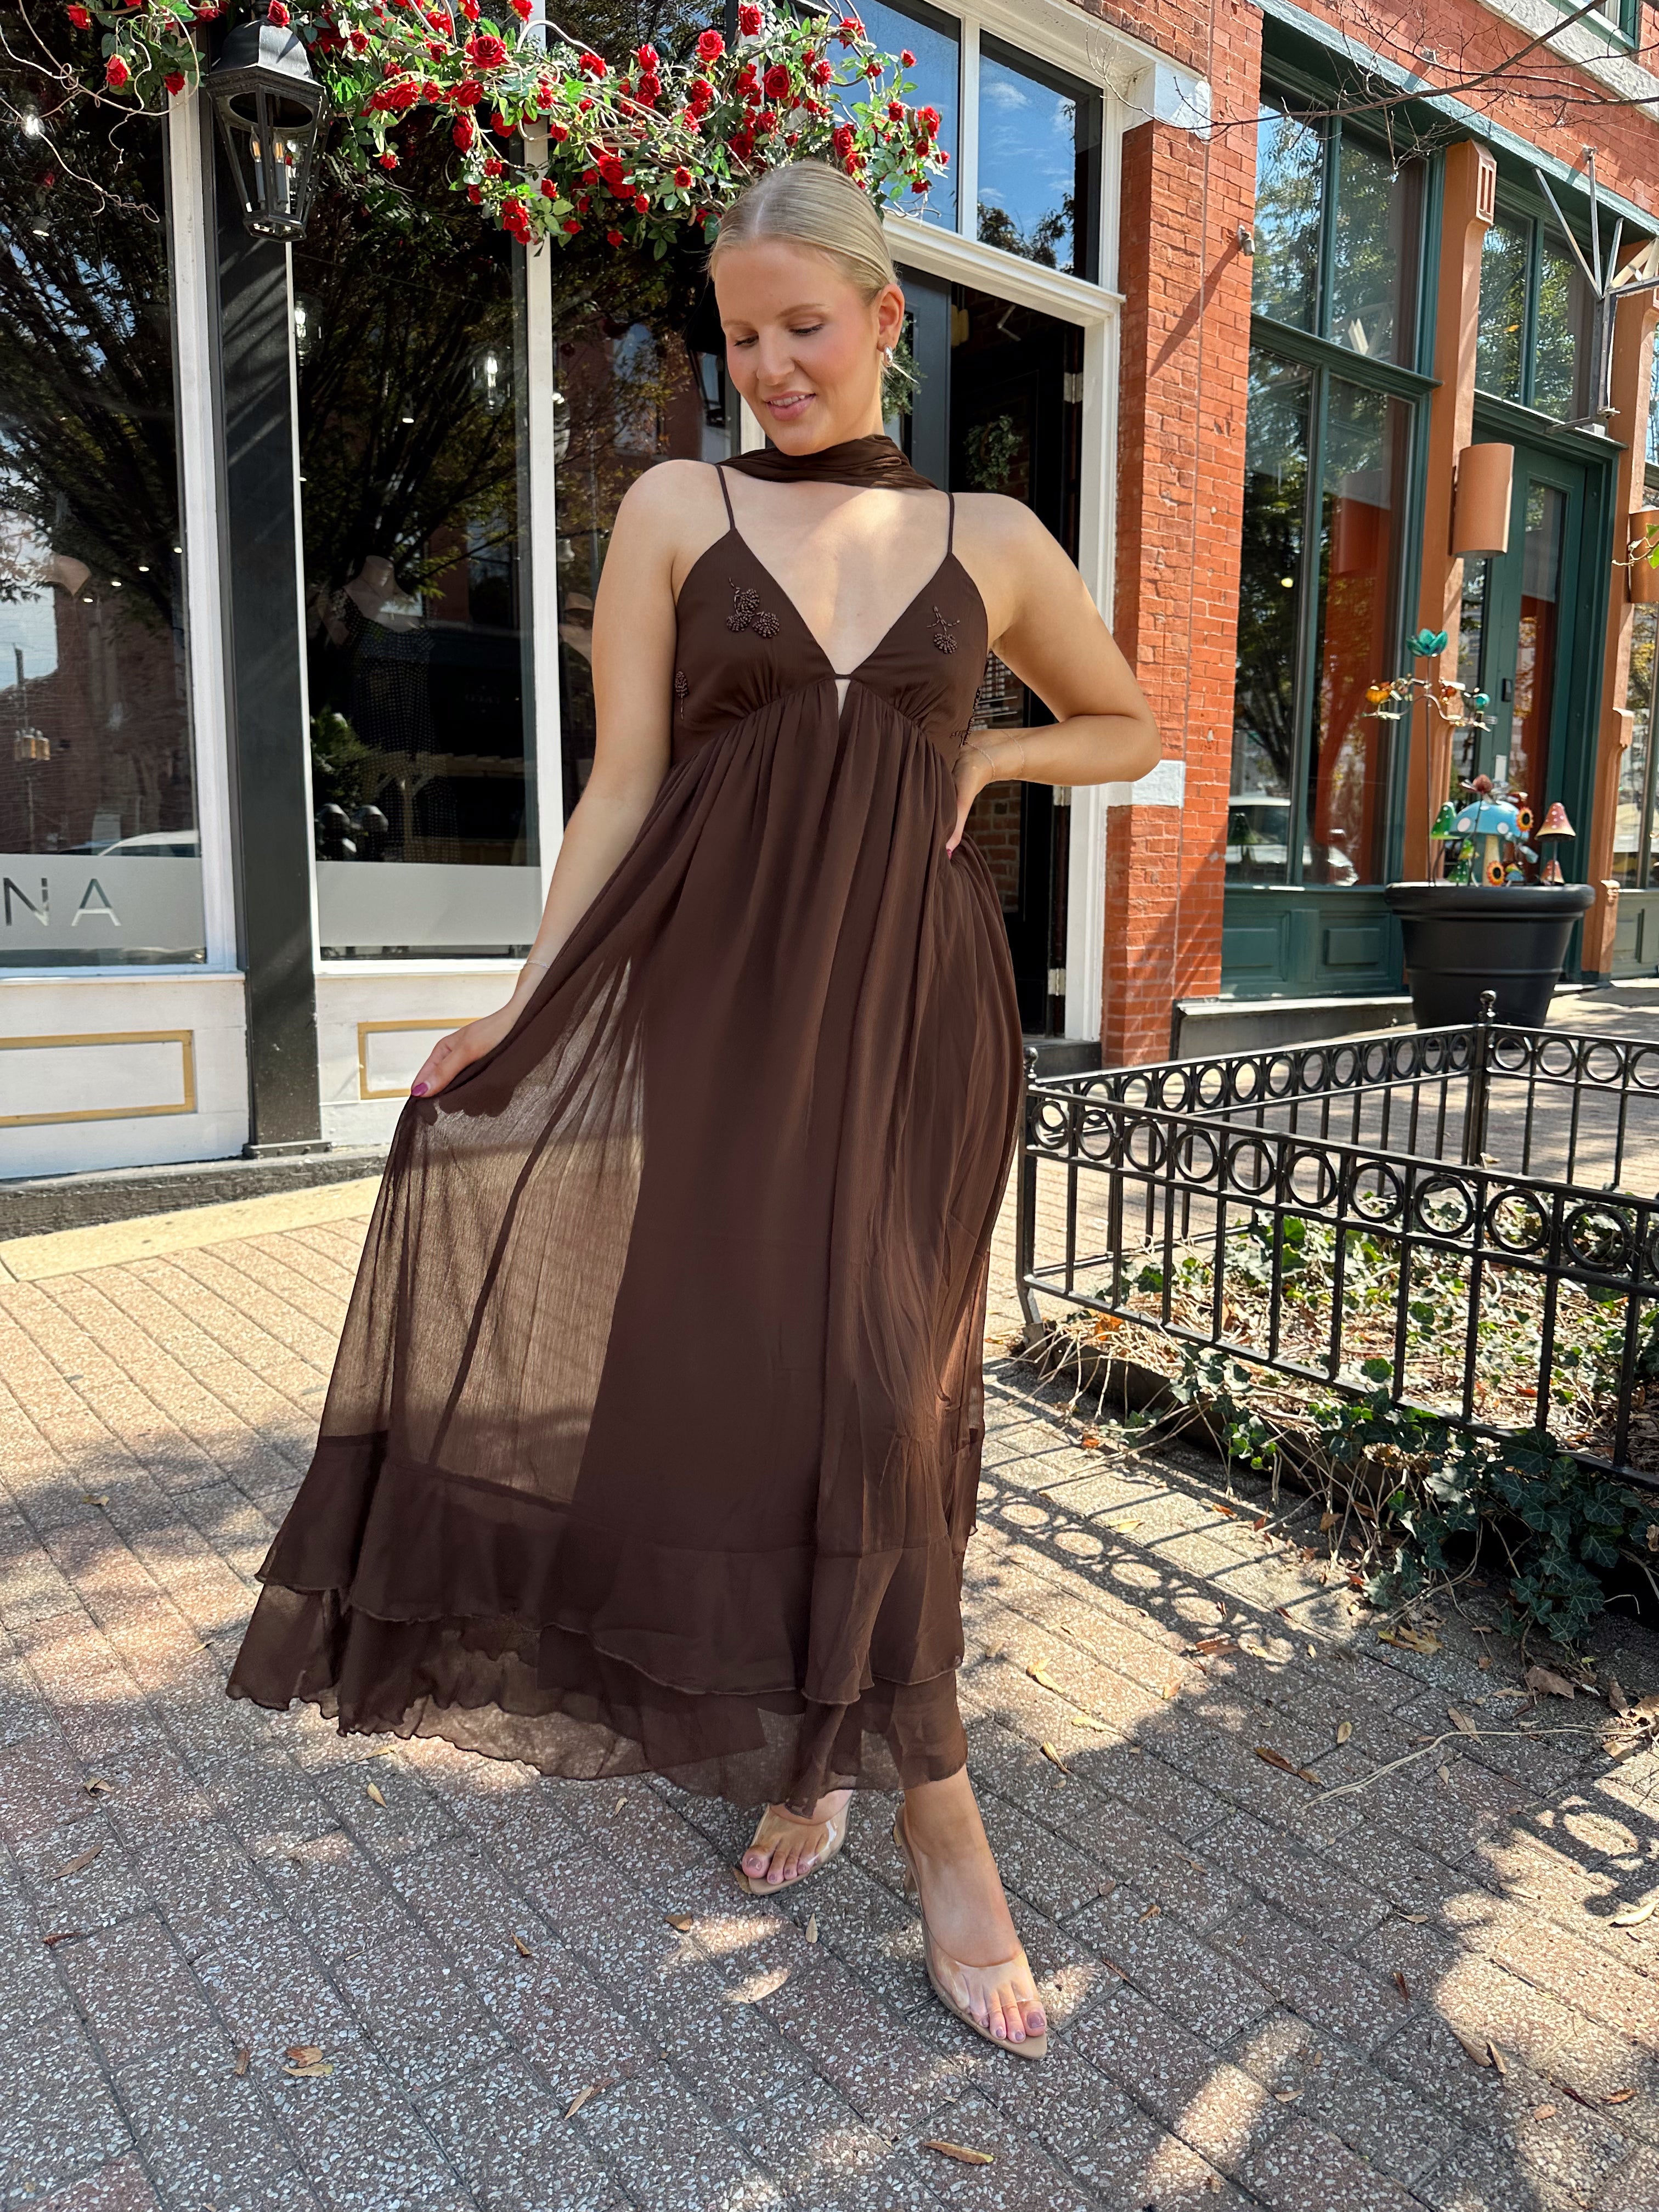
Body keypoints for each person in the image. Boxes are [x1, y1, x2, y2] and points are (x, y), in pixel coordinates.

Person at [228, 159, 1158, 2060]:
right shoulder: (672, 507)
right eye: (740, 336)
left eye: (804, 326)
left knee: (881, 1392)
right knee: (742, 1384)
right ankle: (800, 1751)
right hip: (723, 1018)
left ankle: (942, 1823)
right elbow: (624, 790)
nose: (770, 367)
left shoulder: (994, 532)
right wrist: (516, 1009)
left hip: (913, 1025)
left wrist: (988, 741)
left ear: (889, 319)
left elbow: (1136, 726)